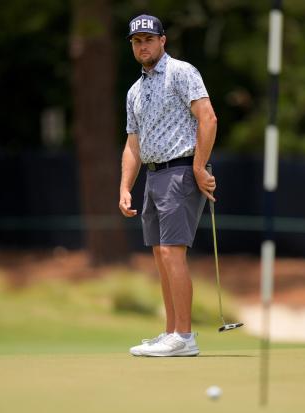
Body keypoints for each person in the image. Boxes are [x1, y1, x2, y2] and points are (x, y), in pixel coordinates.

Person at [118, 14, 217, 357]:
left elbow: (208, 117)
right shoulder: (135, 91)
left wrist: (199, 166)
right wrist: (125, 186)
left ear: (163, 40)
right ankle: (171, 332)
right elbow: (133, 143)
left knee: (173, 253)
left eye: (148, 39)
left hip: (180, 172)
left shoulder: (181, 72)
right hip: (154, 175)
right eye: (136, 41)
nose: (142, 45)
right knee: (161, 256)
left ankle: (185, 337)